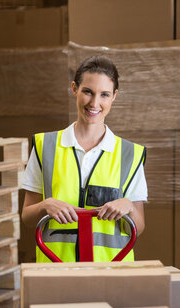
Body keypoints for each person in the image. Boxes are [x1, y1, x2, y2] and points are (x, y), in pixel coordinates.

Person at [21, 55, 147, 263]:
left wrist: (129, 207)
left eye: (104, 94)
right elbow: (27, 217)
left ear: (114, 96)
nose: (95, 103)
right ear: (74, 89)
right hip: (56, 270)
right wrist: (46, 205)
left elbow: (138, 227)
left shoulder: (129, 154)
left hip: (113, 273)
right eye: (88, 92)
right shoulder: (46, 146)